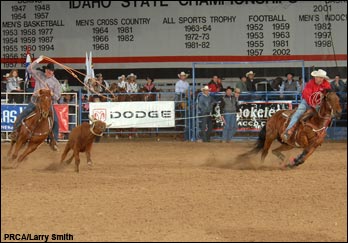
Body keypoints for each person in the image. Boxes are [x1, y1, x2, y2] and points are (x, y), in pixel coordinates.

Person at [11, 55, 62, 151]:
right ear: (45, 70)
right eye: (47, 70)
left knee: (55, 121)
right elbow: (29, 69)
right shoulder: (39, 74)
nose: (48, 72)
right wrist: (38, 60)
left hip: (47, 104)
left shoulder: (55, 83)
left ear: (53, 72)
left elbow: (57, 95)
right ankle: (15, 131)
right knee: (24, 113)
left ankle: (54, 141)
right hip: (35, 101)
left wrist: (52, 94)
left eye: (50, 71)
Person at [282, 69, 332, 141]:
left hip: (319, 103)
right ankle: (288, 131)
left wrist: (323, 94)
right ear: (315, 77)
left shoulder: (326, 84)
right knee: (298, 113)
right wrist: (313, 105)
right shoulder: (310, 84)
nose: (321, 79)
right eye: (319, 77)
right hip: (307, 102)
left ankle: (322, 131)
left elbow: (328, 92)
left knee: (327, 115)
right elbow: (306, 95)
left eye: (322, 78)